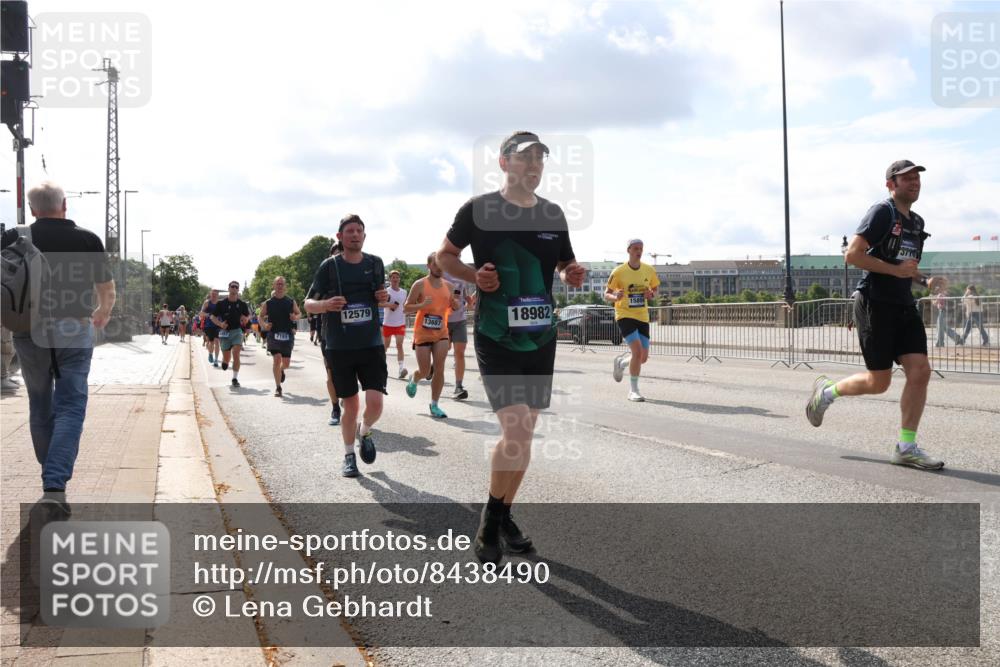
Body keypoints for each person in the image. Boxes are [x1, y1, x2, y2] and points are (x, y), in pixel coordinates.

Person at [437, 131, 587, 564]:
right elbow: (444, 256)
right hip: (495, 332)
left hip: (541, 336)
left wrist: (571, 273)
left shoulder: (552, 214)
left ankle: (502, 517)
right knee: (516, 429)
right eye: (525, 159)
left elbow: (561, 264)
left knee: (526, 434)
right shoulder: (479, 210)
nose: (534, 166)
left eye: (540, 158)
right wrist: (472, 276)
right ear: (504, 163)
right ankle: (490, 521)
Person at [806, 160, 947, 470]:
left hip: (903, 305)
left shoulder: (917, 223)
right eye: (906, 178)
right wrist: (895, 271)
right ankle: (827, 392)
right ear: (890, 185)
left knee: (920, 371)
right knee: (878, 382)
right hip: (875, 303)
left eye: (916, 178)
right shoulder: (882, 212)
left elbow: (905, 267)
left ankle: (906, 447)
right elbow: (852, 254)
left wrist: (925, 281)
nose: (914, 182)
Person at [0, 181, 115, 515]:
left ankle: (50, 481)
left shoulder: (14, 239)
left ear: (33, 210)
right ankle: (55, 485)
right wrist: (102, 313)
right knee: (70, 407)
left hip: (28, 330)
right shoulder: (87, 239)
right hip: (75, 330)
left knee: (40, 404)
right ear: (64, 205)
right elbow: (106, 289)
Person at [305, 215, 389, 477]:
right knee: (350, 405)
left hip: (371, 343)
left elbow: (381, 300)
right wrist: (325, 305)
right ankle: (349, 455)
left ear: (364, 236)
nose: (355, 235)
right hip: (340, 346)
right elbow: (308, 303)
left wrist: (383, 297)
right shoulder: (329, 267)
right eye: (349, 231)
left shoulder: (375, 264)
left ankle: (364, 431)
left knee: (375, 404)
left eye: (359, 231)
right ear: (339, 237)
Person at [404, 252, 461, 418]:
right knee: (424, 370)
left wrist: (456, 304)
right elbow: (406, 308)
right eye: (436, 264)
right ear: (428, 266)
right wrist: (421, 304)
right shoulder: (419, 285)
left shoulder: (449, 286)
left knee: (439, 368)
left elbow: (454, 305)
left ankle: (434, 404)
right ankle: (415, 378)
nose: (439, 267)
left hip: (441, 332)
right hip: (422, 333)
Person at [606, 239, 660, 401]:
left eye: (641, 248)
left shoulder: (648, 270)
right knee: (636, 352)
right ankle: (633, 391)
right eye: (636, 248)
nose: (639, 251)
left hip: (642, 315)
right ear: (628, 250)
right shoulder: (619, 271)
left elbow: (655, 289)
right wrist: (615, 296)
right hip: (624, 314)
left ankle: (622, 363)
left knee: (642, 357)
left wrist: (651, 294)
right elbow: (606, 294)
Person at [261, 276, 301, 397]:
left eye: (281, 284)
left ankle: (282, 370)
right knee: (276, 359)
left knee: (286, 363)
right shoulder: (268, 303)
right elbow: (260, 316)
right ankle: (278, 387)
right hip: (273, 334)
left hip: (287, 335)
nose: (279, 286)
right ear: (274, 286)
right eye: (277, 284)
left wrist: (296, 317)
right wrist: (264, 324)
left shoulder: (290, 301)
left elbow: (299, 313)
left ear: (285, 287)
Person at [320, 241, 344, 426]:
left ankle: (347, 396)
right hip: (329, 334)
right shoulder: (323, 281)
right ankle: (335, 407)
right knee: (331, 374)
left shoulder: (357, 278)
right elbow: (310, 303)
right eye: (335, 256)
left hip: (353, 334)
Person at [209, 281, 251, 387]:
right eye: (232, 286)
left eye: (236, 287)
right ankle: (225, 361)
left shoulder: (242, 304)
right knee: (226, 358)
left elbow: (248, 315)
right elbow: (212, 317)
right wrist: (220, 324)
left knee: (236, 354)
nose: (234, 288)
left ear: (238, 289)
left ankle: (234, 378)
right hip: (225, 332)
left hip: (237, 331)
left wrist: (246, 319)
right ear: (229, 288)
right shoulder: (221, 303)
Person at [445, 266, 475, 400]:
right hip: (443, 320)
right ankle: (432, 368)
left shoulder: (462, 273)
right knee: (443, 350)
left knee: (460, 352)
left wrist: (469, 301)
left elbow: (464, 293)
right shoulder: (441, 272)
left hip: (460, 320)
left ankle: (458, 386)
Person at [382, 270, 409, 379]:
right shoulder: (385, 291)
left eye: (397, 277)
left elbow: (405, 305)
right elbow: (379, 303)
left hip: (400, 323)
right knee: (386, 346)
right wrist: (390, 305)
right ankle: (381, 366)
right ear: (390, 279)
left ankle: (401, 369)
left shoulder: (404, 292)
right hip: (388, 323)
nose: (395, 279)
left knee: (399, 344)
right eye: (393, 277)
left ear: (399, 279)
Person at [200, 290, 222, 367]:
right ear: (210, 294)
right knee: (211, 342)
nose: (214, 296)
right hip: (209, 325)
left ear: (218, 295)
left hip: (218, 325)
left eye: (215, 294)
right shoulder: (207, 303)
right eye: (212, 294)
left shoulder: (220, 304)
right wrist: (208, 315)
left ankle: (216, 360)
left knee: (217, 342)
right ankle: (210, 353)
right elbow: (201, 313)